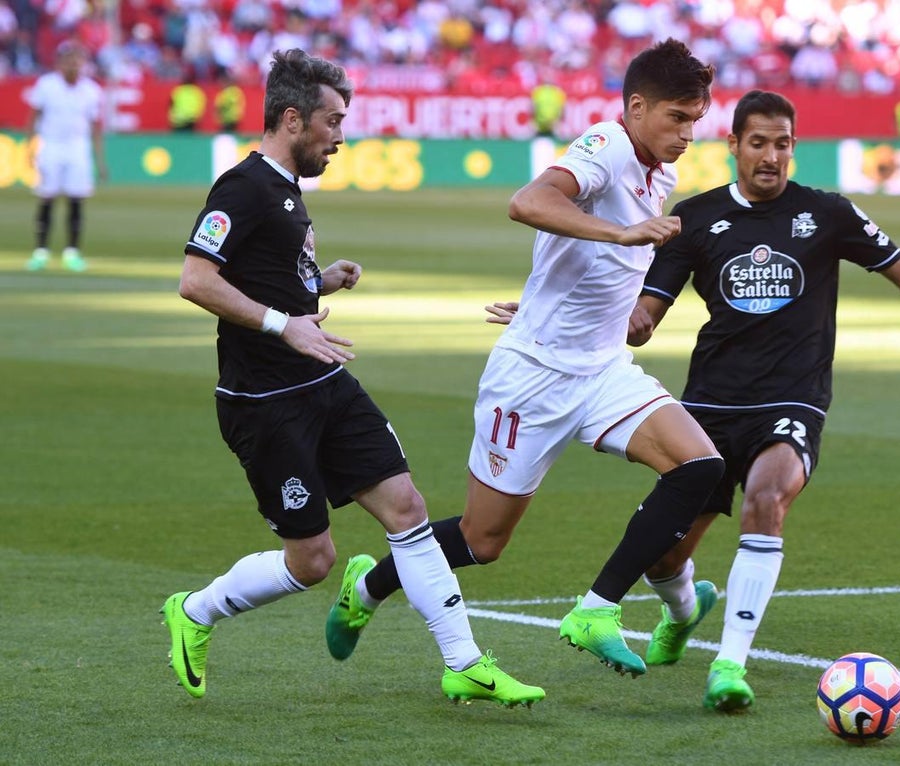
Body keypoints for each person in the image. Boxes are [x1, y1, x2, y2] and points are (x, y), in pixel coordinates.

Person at [625, 89, 900, 712]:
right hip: (709, 404)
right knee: (661, 559)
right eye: (758, 143)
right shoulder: (696, 218)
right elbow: (643, 320)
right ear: (733, 145)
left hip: (794, 398)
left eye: (782, 144)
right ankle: (683, 610)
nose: (771, 156)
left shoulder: (826, 213)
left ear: (794, 147)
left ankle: (729, 664)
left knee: (768, 498)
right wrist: (567, 318)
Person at [326, 38, 725, 680]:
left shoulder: (661, 173)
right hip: (534, 378)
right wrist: (620, 233)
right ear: (637, 107)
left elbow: (595, 271)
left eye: (695, 120)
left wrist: (556, 304)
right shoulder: (607, 144)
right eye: (677, 118)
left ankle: (596, 610)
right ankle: (368, 586)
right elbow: (529, 203)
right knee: (482, 541)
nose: (687, 134)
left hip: (601, 369)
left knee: (700, 465)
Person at [161, 49, 544, 708]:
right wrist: (285, 324)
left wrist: (317, 280)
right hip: (265, 403)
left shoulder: (286, 190)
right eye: (333, 121)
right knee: (313, 562)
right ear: (292, 119)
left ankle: (464, 662)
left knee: (407, 508)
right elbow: (195, 280)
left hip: (323, 381)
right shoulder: (243, 187)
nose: (340, 136)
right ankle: (195, 611)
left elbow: (269, 276)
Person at [24, 41, 107, 273]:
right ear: (59, 63)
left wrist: (100, 159)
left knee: (76, 199)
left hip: (77, 147)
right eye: (69, 61)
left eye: (77, 61)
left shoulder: (91, 90)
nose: (73, 66)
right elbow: (33, 116)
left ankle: (72, 253)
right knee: (46, 197)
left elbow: (95, 127)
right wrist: (29, 149)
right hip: (51, 145)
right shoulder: (46, 85)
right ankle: (40, 252)